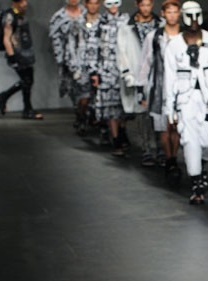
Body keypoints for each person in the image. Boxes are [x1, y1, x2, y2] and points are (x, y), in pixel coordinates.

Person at [162, 0, 208, 205]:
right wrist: (169, 108)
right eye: (189, 15)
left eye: (197, 14)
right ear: (183, 17)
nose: (194, 20)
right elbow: (169, 77)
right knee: (190, 139)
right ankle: (196, 182)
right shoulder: (174, 45)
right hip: (185, 98)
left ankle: (201, 166)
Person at [139, 0, 182, 180]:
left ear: (179, 13)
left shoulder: (185, 36)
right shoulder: (155, 36)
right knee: (163, 126)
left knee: (176, 126)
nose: (172, 15)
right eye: (169, 12)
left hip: (180, 87)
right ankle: (169, 158)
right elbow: (145, 63)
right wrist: (141, 89)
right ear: (163, 13)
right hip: (159, 87)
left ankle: (173, 157)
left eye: (175, 12)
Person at [117, 0, 161, 166]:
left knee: (160, 112)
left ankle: (161, 149)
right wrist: (127, 73)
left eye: (148, 5)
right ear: (137, 5)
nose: (146, 8)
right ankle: (147, 149)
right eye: (143, 5)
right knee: (142, 112)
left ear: (152, 5)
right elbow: (121, 51)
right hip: (138, 73)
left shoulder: (161, 24)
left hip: (159, 73)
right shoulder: (126, 27)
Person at [0, 0, 44, 120]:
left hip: (26, 53)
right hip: (17, 54)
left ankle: (5, 98)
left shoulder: (19, 14)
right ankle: (26, 109)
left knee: (28, 81)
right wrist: (12, 58)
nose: (25, 4)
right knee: (27, 80)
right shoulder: (10, 16)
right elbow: (6, 38)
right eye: (21, 1)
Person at [91, 0, 129, 156]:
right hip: (106, 70)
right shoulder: (99, 22)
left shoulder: (126, 21)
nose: (113, 6)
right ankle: (116, 140)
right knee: (110, 106)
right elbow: (93, 48)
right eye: (109, 3)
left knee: (124, 105)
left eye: (115, 2)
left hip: (124, 69)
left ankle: (122, 132)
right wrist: (94, 72)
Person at [65, 0, 102, 136]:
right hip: (82, 65)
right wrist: (73, 65)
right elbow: (71, 43)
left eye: (96, 3)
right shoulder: (77, 22)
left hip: (99, 64)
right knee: (83, 97)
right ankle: (81, 119)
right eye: (90, 3)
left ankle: (98, 123)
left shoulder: (103, 22)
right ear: (86, 4)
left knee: (99, 97)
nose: (93, 6)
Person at [48, 0, 86, 129]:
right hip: (68, 61)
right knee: (73, 90)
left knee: (87, 91)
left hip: (87, 59)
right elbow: (55, 40)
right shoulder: (58, 17)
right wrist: (60, 61)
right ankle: (80, 116)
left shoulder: (87, 13)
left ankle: (86, 116)